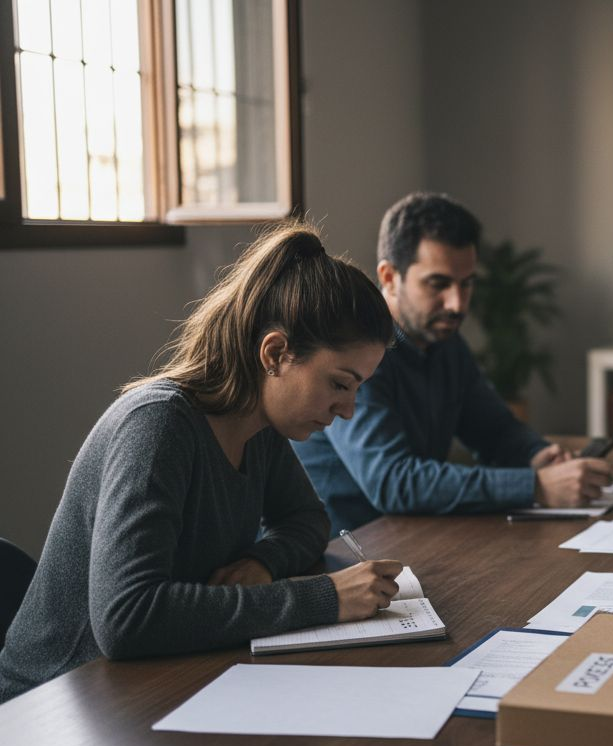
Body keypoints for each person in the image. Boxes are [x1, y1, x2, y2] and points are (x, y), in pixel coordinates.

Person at [0, 222, 403, 703]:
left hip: (150, 684)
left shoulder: (262, 430)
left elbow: (307, 520)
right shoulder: (158, 427)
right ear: (274, 353)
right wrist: (325, 598)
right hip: (54, 704)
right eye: (340, 383)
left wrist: (261, 560)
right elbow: (128, 619)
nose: (349, 409)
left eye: (358, 388)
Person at [293, 192, 613, 535]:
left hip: (409, 538)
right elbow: (393, 481)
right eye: (438, 284)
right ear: (388, 277)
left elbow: (494, 430)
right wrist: (535, 486)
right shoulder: (357, 353)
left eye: (467, 284)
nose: (457, 304)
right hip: (342, 549)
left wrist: (539, 456)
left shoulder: (443, 341)